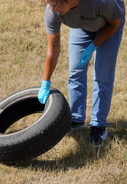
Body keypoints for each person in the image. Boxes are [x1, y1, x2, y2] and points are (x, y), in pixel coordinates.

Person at [38, 0, 125, 147]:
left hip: (110, 25)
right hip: (83, 26)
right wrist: (45, 83)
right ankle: (76, 119)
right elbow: (53, 50)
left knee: (102, 76)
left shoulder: (100, 3)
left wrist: (93, 46)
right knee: (75, 72)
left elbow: (114, 24)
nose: (52, 8)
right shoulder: (52, 11)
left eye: (56, 4)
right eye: (50, 3)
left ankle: (98, 126)